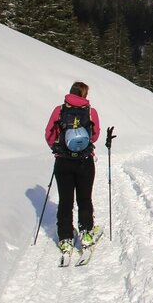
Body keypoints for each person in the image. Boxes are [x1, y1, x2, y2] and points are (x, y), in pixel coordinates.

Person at [44, 81, 102, 254]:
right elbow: (95, 135)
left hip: (63, 161)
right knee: (84, 198)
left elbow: (49, 133)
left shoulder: (59, 110)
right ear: (84, 95)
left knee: (65, 200)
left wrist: (58, 149)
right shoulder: (91, 112)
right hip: (84, 161)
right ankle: (86, 233)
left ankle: (65, 238)